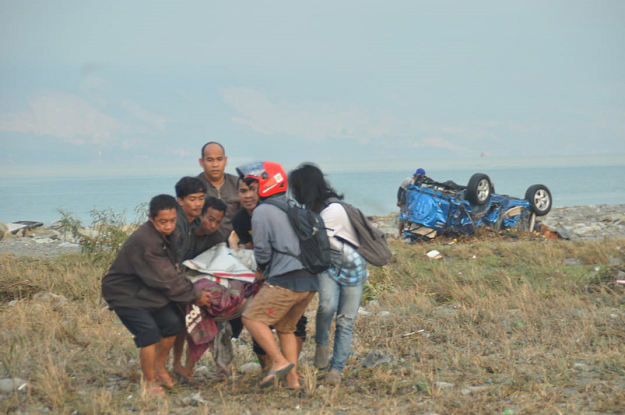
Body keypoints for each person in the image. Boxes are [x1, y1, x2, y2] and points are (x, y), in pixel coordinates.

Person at [101, 195, 212, 396]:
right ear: (151, 218)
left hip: (148, 290)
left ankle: (159, 367)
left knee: (172, 325)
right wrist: (195, 295)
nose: (168, 226)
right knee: (149, 333)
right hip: (124, 293)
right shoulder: (146, 241)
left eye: (172, 221)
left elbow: (171, 270)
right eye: (163, 222)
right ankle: (149, 382)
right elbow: (166, 278)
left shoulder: (170, 233)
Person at [238, 161, 318, 390]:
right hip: (309, 282)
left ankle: (278, 360)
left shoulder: (263, 211)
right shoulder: (291, 205)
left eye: (254, 186)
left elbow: (262, 252)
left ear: (265, 183)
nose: (251, 192)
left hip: (286, 279)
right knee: (286, 328)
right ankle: (293, 380)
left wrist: (260, 270)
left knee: (251, 318)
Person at [289, 162, 368, 385]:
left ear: (306, 187)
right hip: (328, 266)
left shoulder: (332, 211)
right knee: (326, 307)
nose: (294, 193)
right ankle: (322, 344)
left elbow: (307, 241)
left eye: (296, 188)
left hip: (353, 269)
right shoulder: (313, 211)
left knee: (345, 320)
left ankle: (336, 369)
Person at [229, 176, 308, 373]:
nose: (248, 195)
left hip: (284, 274)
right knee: (263, 323)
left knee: (290, 323)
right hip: (261, 276)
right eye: (243, 191)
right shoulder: (240, 219)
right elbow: (251, 248)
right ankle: (271, 369)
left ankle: (288, 368)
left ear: (262, 190)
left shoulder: (273, 210)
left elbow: (266, 249)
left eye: (252, 189)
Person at [173, 196, 227, 381]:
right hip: (177, 285)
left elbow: (218, 267)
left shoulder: (218, 238)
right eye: (210, 219)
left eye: (218, 222)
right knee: (179, 323)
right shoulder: (184, 232)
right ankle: (178, 364)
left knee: (217, 319)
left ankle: (218, 367)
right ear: (201, 215)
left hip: (202, 286)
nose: (213, 225)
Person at [197, 141, 240, 235]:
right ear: (201, 162)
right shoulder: (195, 188)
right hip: (204, 242)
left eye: (219, 159)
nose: (215, 164)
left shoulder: (238, 184)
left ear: (225, 160)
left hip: (236, 242)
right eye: (210, 160)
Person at [174, 177, 206, 264]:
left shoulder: (197, 221)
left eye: (201, 198)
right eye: (192, 199)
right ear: (180, 201)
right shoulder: (175, 222)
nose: (198, 204)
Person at [397, 168, 426, 238]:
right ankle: (400, 234)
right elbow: (400, 190)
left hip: (413, 203)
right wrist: (399, 200)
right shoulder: (408, 180)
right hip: (404, 201)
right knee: (403, 218)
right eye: (422, 176)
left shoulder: (418, 183)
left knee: (412, 218)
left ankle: (409, 232)